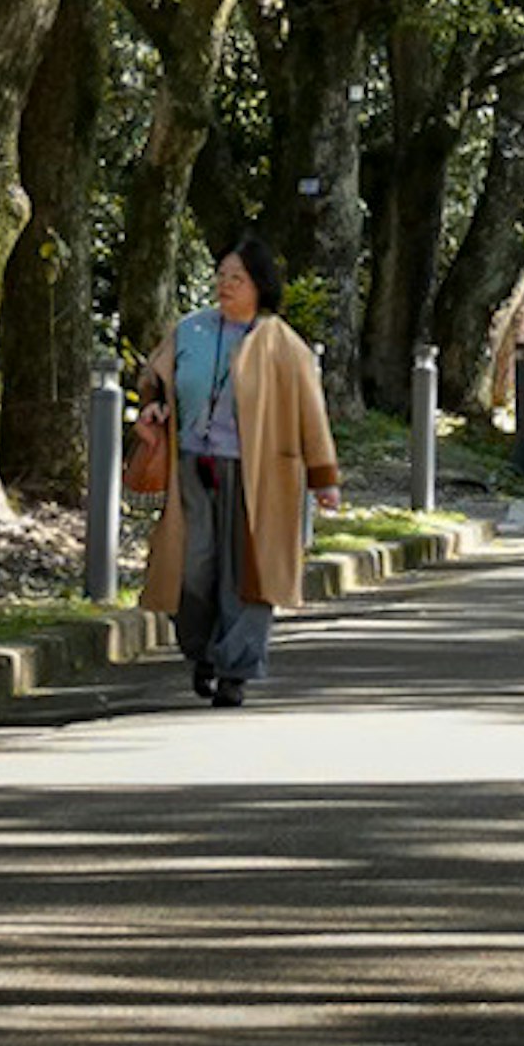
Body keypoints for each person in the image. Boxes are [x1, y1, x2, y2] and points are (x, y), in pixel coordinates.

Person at [136, 233, 340, 709]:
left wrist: (323, 478)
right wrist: (154, 408)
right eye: (222, 276)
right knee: (193, 567)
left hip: (261, 476)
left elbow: (312, 415)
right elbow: (154, 379)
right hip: (193, 466)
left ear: (259, 286)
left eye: (238, 278)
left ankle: (236, 669)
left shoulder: (282, 344)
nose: (226, 286)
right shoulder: (190, 330)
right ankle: (203, 650)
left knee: (247, 575)